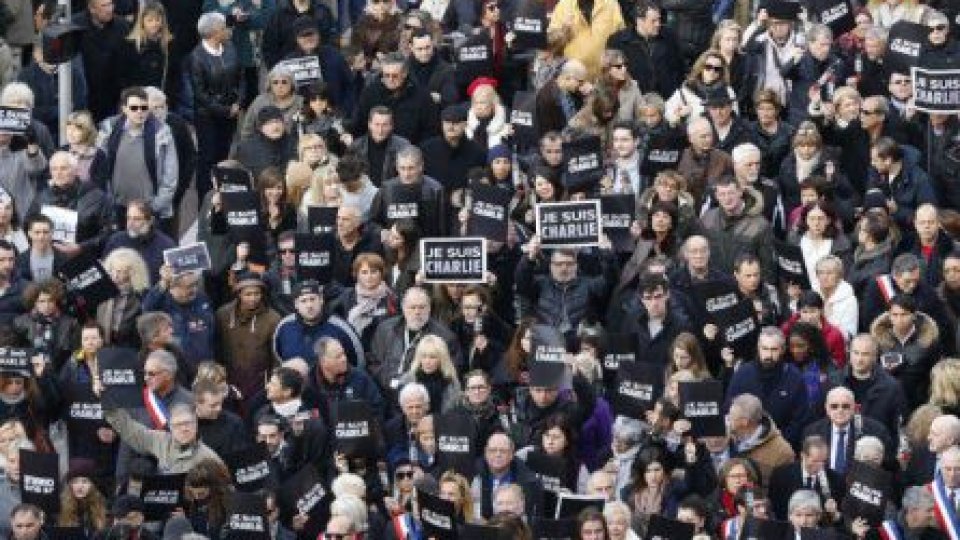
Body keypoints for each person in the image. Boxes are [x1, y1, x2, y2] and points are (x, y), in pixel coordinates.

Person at [99, 86, 179, 233]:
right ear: (124, 108)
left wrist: (157, 205)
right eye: (134, 108)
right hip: (117, 207)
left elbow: (170, 174)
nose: (139, 112)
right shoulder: (110, 128)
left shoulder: (162, 131)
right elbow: (100, 165)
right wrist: (107, 199)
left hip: (148, 210)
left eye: (144, 107)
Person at [190, 12, 243, 205]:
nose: (227, 30)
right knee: (208, 160)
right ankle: (204, 201)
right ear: (213, 32)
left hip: (230, 113)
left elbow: (241, 76)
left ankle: (221, 197)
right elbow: (200, 94)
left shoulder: (230, 48)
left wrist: (239, 101)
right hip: (208, 118)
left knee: (223, 156)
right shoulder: (196, 57)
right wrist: (225, 110)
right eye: (223, 28)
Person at [215, 272, 282, 411]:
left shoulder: (273, 318)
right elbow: (217, 348)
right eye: (248, 294)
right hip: (229, 379)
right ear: (239, 294)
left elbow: (276, 356)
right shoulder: (223, 315)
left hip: (259, 382)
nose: (253, 298)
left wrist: (272, 382)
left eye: (256, 293)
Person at [32, 150, 111, 258]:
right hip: (48, 258)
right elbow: (28, 225)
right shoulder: (42, 197)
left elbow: (109, 232)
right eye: (54, 169)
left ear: (76, 170)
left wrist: (81, 247)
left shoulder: (97, 196)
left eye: (63, 168)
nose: (58, 173)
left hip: (85, 258)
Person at [870, 294, 941, 410]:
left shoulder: (929, 342)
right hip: (887, 401)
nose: (899, 319)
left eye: (904, 314)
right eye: (895, 315)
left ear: (913, 315)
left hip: (919, 403)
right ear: (889, 316)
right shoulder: (878, 341)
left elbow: (935, 374)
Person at [272, 279, 365, 367]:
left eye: (312, 299)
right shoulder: (284, 326)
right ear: (296, 304)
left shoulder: (342, 328)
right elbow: (278, 356)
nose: (309, 305)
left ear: (321, 300)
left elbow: (359, 363)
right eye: (303, 301)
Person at [353, 52, 439, 145]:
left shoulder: (422, 96)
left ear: (404, 73)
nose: (390, 79)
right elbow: (360, 123)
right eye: (386, 75)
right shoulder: (370, 93)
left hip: (410, 151)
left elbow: (431, 130)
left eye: (395, 76)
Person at [142, 267, 215, 374]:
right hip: (175, 370)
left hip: (203, 368)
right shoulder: (162, 303)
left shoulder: (202, 299)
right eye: (189, 286)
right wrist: (163, 283)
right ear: (172, 287)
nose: (194, 289)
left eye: (195, 284)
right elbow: (146, 309)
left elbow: (212, 332)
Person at [605, 0, 684, 99]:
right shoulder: (618, 42)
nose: (658, 24)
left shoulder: (669, 36)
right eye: (653, 21)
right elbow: (611, 74)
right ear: (639, 20)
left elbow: (679, 69)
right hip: (636, 101)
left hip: (667, 100)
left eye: (659, 19)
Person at [369, 146, 447, 238]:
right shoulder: (386, 189)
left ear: (421, 166)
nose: (406, 174)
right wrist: (382, 232)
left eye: (411, 168)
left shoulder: (435, 190)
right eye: (402, 168)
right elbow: (372, 222)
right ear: (397, 167)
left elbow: (443, 229)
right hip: (393, 244)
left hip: (424, 244)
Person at [73, 0, 130, 121]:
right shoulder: (75, 26)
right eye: (104, 5)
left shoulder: (123, 26)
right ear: (92, 8)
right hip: (85, 96)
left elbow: (128, 64)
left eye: (111, 4)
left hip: (113, 97)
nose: (110, 9)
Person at [768, 436, 845, 521]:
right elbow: (775, 509)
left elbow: (840, 522)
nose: (820, 466)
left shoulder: (836, 480)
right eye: (815, 461)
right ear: (803, 456)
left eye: (823, 461)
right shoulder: (782, 476)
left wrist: (834, 514)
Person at [102, 199, 177, 285]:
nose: (130, 223)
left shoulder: (166, 246)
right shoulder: (115, 241)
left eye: (137, 219)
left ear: (150, 221)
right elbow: (105, 271)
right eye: (128, 218)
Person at [241, 65, 303, 140]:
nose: (280, 86)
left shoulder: (301, 102)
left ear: (292, 84)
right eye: (275, 82)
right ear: (270, 85)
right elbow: (247, 130)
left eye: (284, 82)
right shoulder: (259, 101)